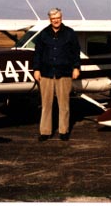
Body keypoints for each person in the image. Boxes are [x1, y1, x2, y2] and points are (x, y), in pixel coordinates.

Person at [33, 8, 81, 141]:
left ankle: (63, 130)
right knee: (46, 104)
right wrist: (36, 69)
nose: (56, 20)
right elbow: (37, 53)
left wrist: (76, 67)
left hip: (64, 72)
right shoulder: (43, 34)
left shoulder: (69, 33)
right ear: (50, 19)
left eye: (58, 18)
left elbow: (76, 52)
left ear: (61, 18)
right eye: (53, 18)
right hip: (46, 73)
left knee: (64, 104)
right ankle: (45, 132)